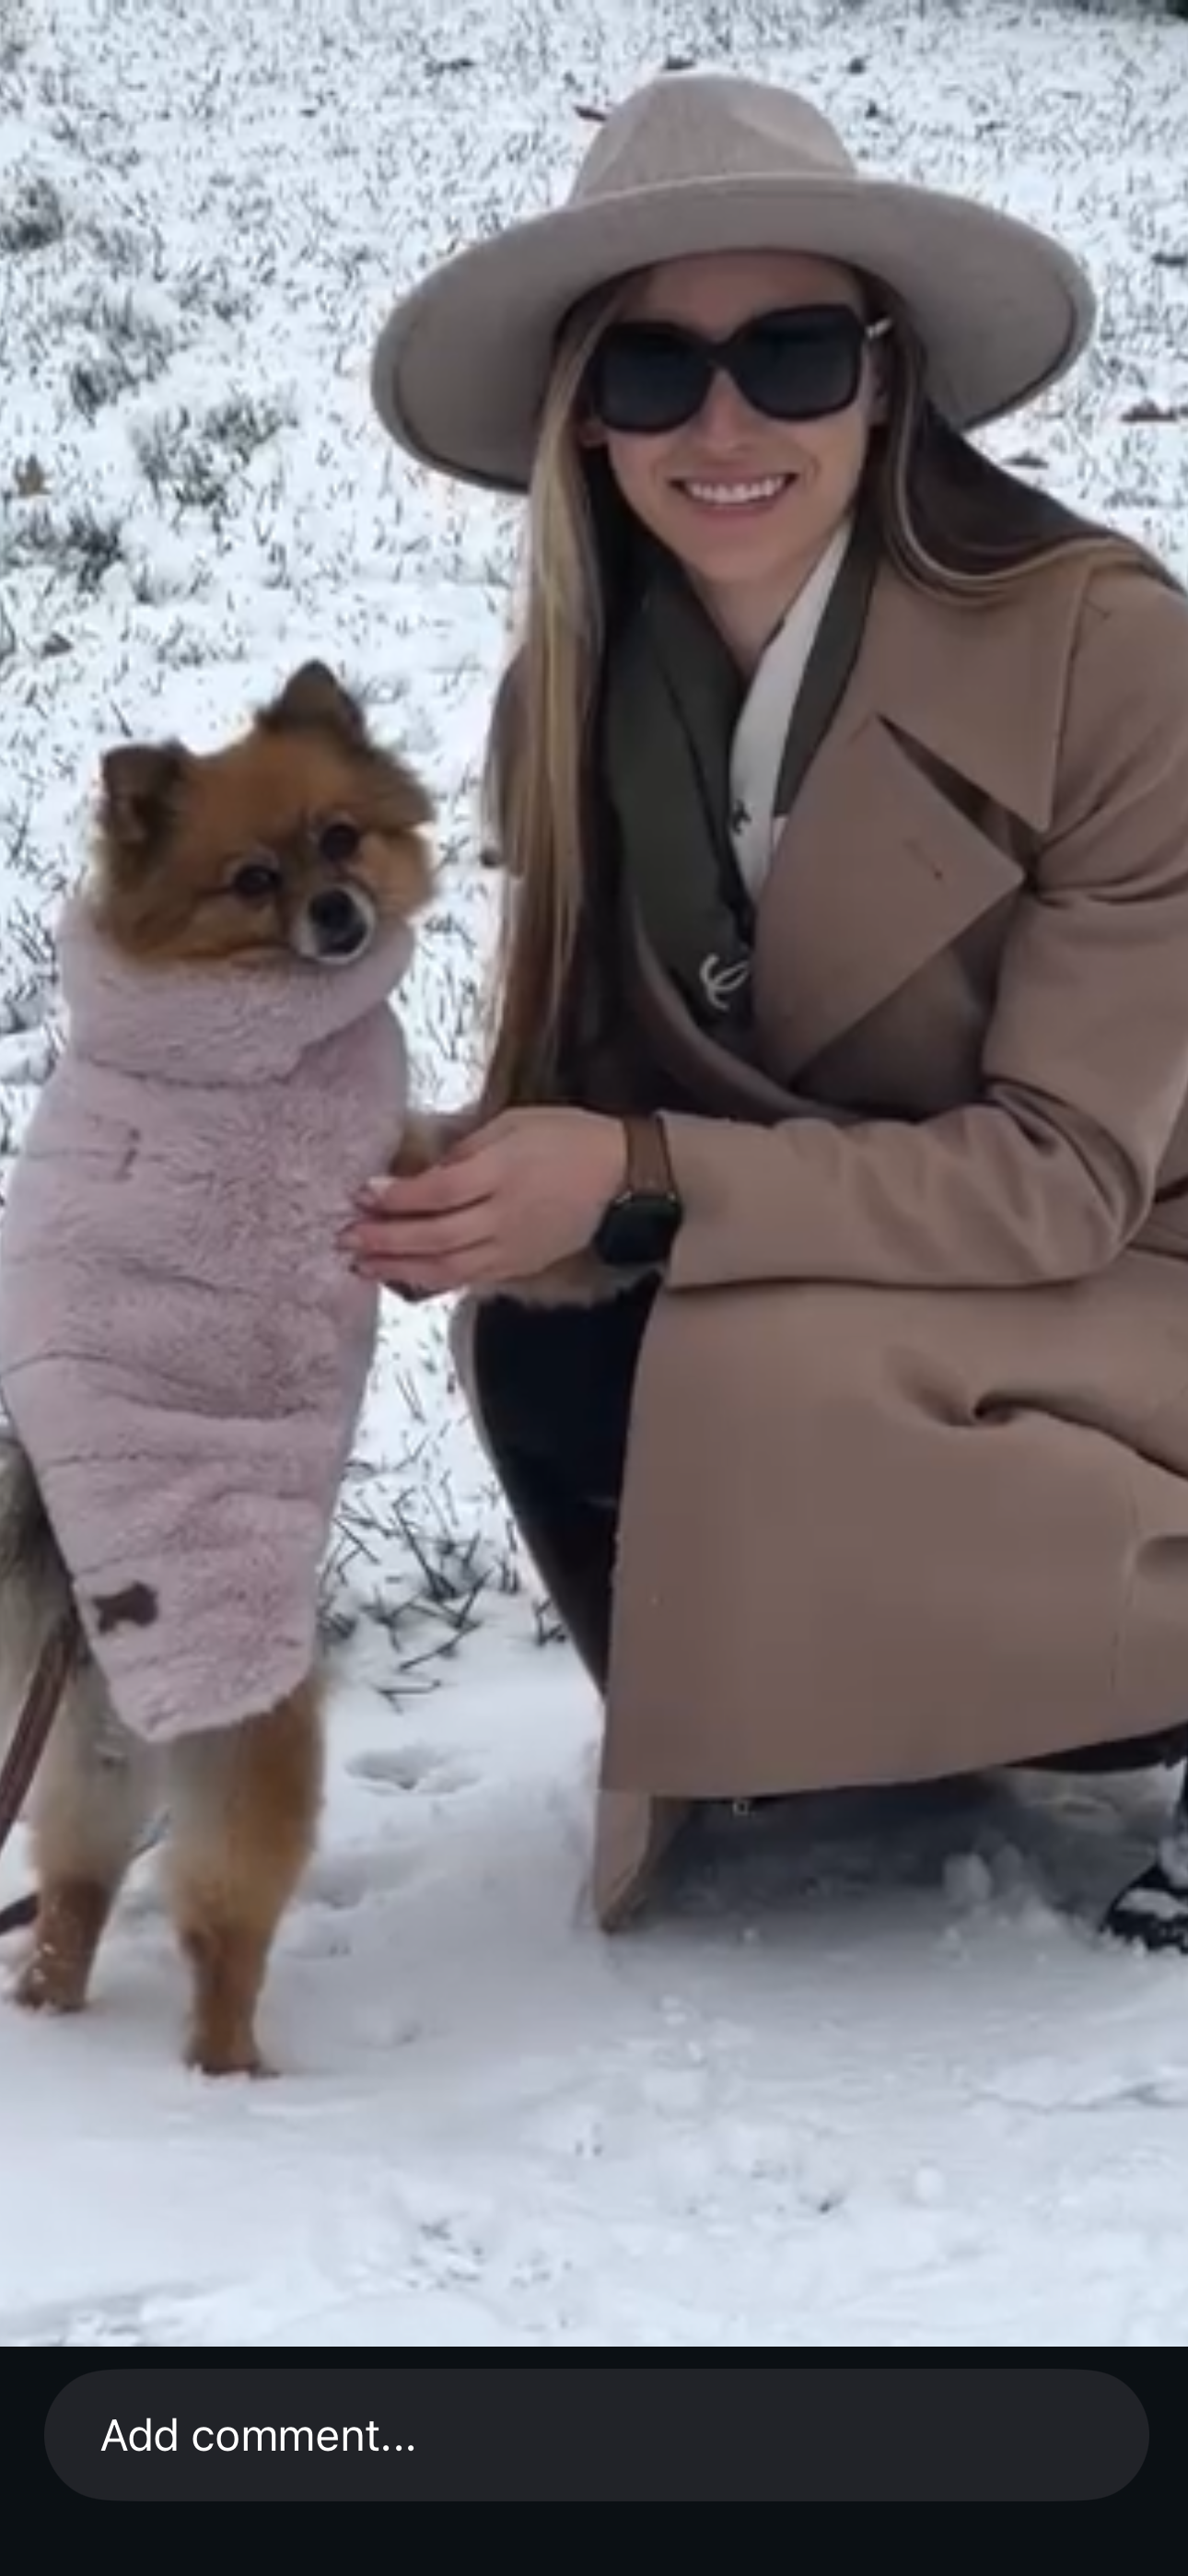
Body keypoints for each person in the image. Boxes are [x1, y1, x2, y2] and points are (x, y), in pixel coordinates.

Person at [347, 68, 1188, 1943]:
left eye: (793, 353)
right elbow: (590, 1100)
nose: (721, 423)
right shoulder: (562, 708)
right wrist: (384, 1181)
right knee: (549, 1342)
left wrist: (638, 1174)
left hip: (1136, 1274)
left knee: (746, 1357)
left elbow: (1061, 1181)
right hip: (883, 1262)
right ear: (585, 422)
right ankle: (883, 1708)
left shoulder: (1107, 650)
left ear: (883, 376)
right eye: (650, 371)